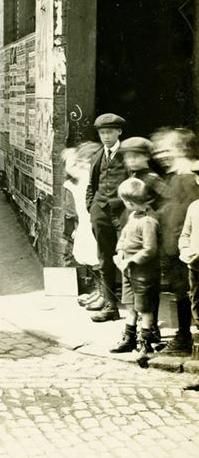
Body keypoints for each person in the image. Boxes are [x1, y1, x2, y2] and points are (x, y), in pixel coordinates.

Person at [151, 127, 199, 356]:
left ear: (181, 148)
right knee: (182, 294)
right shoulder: (175, 177)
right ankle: (183, 336)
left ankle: (183, 339)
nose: (160, 155)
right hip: (177, 250)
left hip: (189, 252)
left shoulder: (192, 178)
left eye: (166, 149)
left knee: (189, 296)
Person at [109, 177, 161, 359]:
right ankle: (129, 337)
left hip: (143, 273)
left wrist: (130, 261)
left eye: (124, 201)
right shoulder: (132, 217)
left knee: (145, 307)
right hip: (128, 270)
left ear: (130, 202)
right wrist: (120, 252)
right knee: (130, 303)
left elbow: (150, 249)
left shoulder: (148, 222)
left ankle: (145, 344)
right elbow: (123, 236)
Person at [86, 112, 127, 322]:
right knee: (104, 259)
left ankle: (135, 312)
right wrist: (91, 207)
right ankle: (111, 306)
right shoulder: (98, 156)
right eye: (102, 133)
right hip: (101, 213)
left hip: (123, 214)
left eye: (110, 132)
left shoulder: (128, 155)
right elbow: (91, 184)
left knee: (127, 259)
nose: (106, 136)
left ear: (119, 132)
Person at [62, 142, 102, 305]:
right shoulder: (73, 183)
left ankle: (105, 294)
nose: (77, 167)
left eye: (80, 163)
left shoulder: (92, 180)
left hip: (95, 224)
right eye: (73, 164)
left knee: (99, 258)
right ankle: (99, 290)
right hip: (85, 224)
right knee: (91, 258)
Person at [178, 197, 199, 343]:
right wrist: (185, 250)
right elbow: (185, 234)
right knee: (196, 302)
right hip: (195, 267)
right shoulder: (194, 207)